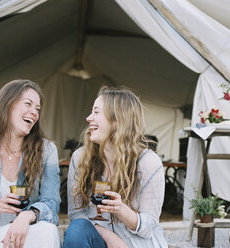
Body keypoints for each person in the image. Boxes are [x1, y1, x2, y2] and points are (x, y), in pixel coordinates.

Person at [63, 87, 167, 248]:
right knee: (77, 230)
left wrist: (122, 211)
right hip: (100, 242)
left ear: (117, 120)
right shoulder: (80, 158)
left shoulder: (148, 162)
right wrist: (109, 236)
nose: (89, 118)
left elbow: (149, 226)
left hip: (137, 244)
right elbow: (76, 213)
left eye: (96, 112)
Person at [0, 80, 61, 248]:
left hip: (23, 237)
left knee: (47, 230)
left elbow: (52, 202)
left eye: (37, 109)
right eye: (28, 104)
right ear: (7, 105)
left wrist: (27, 215)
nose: (34, 112)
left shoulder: (46, 149)